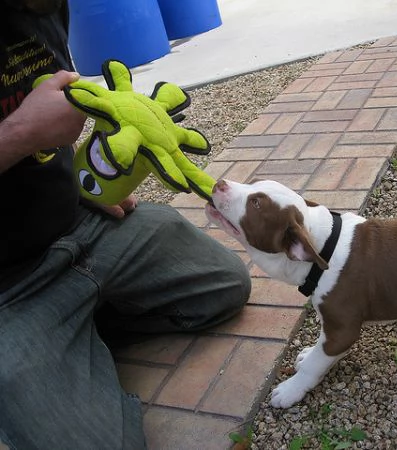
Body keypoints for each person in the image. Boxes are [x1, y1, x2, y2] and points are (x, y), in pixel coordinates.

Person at [0, 1, 251, 448]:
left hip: (79, 224)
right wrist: (19, 132)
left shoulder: (44, 7)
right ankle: (49, 354)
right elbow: (28, 128)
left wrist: (91, 183)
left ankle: (71, 337)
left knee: (223, 285)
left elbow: (58, 122)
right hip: (9, 289)